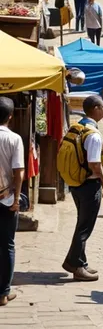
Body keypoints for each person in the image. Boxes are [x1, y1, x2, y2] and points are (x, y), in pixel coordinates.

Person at [62, 95, 103, 281]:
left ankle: (81, 261)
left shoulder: (77, 127)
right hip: (89, 184)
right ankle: (74, 264)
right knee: (84, 226)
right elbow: (95, 165)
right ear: (96, 108)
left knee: (82, 222)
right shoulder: (93, 135)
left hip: (76, 183)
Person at [0, 97, 25, 307]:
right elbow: (19, 172)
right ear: (10, 116)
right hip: (6, 199)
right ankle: (3, 293)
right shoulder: (14, 139)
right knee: (7, 245)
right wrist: (16, 199)